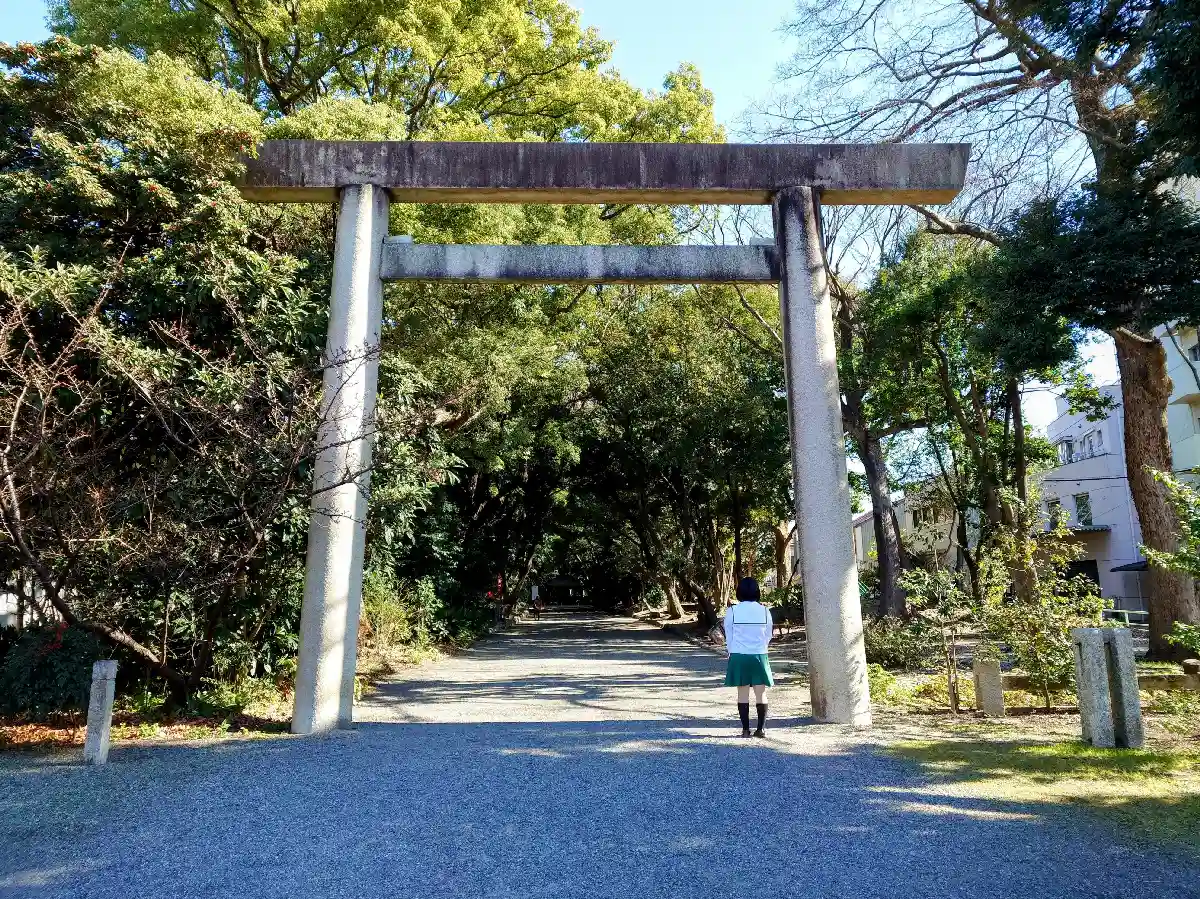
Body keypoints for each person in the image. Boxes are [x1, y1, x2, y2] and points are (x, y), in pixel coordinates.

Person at [722, 577, 774, 738]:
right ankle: (761, 729)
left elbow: (729, 635)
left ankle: (745, 730)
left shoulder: (732, 611)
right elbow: (768, 634)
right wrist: (760, 646)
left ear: (739, 592)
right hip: (759, 655)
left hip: (739, 655)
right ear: (757, 592)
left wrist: (732, 651)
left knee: (742, 693)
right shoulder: (765, 611)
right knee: (761, 692)